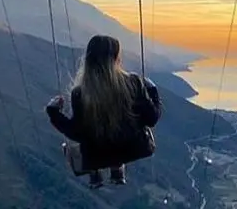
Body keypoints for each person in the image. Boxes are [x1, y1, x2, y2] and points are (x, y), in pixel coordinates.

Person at [46, 35, 162, 189]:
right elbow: (151, 118)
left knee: (91, 142)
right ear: (116, 58)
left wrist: (53, 112)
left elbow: (77, 133)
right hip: (133, 149)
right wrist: (152, 91)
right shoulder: (132, 83)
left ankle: (96, 173)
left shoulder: (80, 93)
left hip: (97, 156)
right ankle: (116, 167)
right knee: (116, 136)